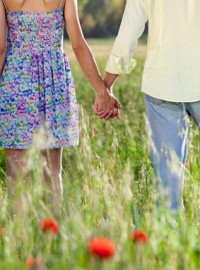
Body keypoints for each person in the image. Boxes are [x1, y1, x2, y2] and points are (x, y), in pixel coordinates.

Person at [0, 0, 121, 209]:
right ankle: (53, 235)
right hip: (53, 81)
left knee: (17, 175)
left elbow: (1, 48)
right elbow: (78, 45)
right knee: (52, 172)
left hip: (16, 81)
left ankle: (20, 239)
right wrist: (103, 92)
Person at [96, 0, 200, 211]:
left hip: (162, 83)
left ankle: (172, 240)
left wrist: (106, 87)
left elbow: (128, 32)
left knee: (167, 181)